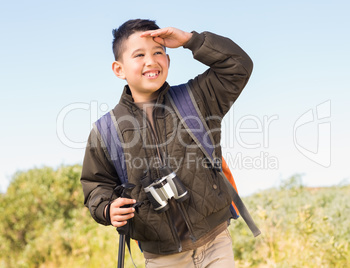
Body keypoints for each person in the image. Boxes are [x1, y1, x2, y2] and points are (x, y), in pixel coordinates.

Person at [80, 19, 253, 267]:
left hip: (216, 243)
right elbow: (96, 185)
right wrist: (108, 209)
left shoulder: (198, 98)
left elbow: (238, 65)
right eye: (139, 54)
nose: (151, 61)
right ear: (119, 69)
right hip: (162, 258)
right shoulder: (106, 130)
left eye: (158, 52)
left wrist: (190, 40)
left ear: (168, 61)